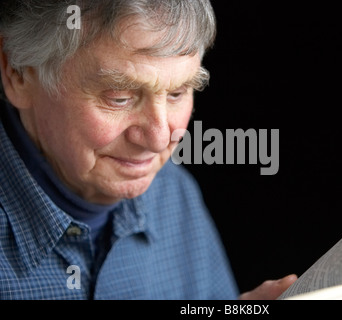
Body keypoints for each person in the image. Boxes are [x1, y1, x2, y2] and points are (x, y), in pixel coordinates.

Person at [0, 0, 297, 299]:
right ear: (17, 72)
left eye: (178, 93)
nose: (158, 140)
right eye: (119, 97)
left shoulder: (174, 191)